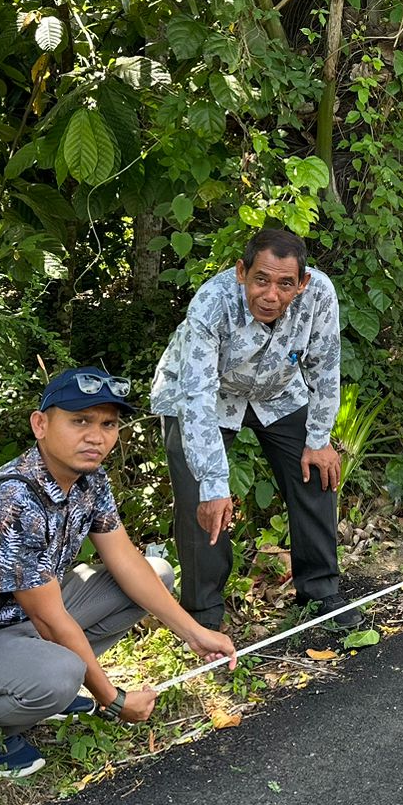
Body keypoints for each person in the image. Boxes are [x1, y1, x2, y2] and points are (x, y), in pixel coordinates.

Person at [0, 368, 236, 778]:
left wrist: (194, 634)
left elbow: (126, 560)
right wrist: (113, 699)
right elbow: (50, 620)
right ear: (40, 424)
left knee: (157, 573)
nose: (96, 436)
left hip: (28, 620)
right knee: (62, 674)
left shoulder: (90, 479)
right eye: (80, 421)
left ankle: (45, 683)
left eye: (108, 424)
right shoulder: (13, 498)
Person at [152, 228, 352, 632]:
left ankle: (319, 594)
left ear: (303, 283)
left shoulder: (320, 295)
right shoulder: (212, 302)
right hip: (204, 396)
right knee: (199, 499)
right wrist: (212, 485)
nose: (271, 295)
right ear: (242, 271)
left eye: (285, 284)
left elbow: (325, 367)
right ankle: (204, 616)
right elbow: (197, 396)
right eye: (261, 279)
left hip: (277, 391)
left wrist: (318, 439)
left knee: (316, 470)